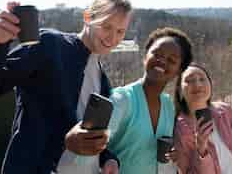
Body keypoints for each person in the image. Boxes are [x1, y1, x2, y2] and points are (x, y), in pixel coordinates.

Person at [0, 0, 132, 174]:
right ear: (87, 18)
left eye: (120, 31)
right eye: (106, 26)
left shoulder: (102, 79)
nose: (112, 38)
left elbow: (86, 132)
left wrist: (107, 158)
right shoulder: (49, 45)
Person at [72, 27, 193, 173]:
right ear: (145, 56)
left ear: (179, 71)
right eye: (157, 54)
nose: (162, 61)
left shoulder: (168, 106)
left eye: (171, 60)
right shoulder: (122, 99)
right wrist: (107, 162)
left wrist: (174, 153)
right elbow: (88, 149)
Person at [174, 62, 232, 174]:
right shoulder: (179, 129)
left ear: (210, 84)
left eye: (202, 79)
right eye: (189, 80)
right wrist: (202, 150)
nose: (197, 84)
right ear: (180, 90)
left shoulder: (225, 110)